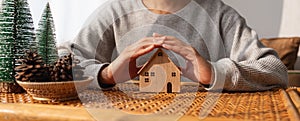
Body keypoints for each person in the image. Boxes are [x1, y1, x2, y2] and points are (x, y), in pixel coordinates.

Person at [61, 0, 288, 91]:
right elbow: (62, 60)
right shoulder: (114, 11)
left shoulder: (220, 15)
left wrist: (214, 72)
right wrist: (107, 74)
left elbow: (276, 70)